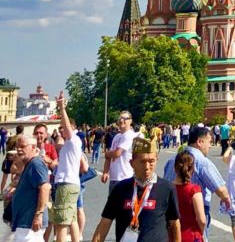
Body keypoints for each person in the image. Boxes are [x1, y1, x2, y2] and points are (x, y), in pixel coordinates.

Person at [90, 135, 180, 242]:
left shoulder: (167, 188)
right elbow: (104, 223)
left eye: (151, 161)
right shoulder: (120, 188)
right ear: (132, 163)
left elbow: (174, 224)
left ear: (156, 160)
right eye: (142, 162)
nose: (147, 167)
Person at [162, 126, 230, 239]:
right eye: (209, 142)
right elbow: (221, 189)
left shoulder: (172, 159)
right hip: (194, 212)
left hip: (172, 211)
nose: (210, 146)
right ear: (199, 141)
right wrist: (225, 198)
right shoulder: (202, 161)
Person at [52, 92, 83, 242]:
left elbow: (66, 126)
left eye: (62, 128)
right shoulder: (70, 143)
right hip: (71, 183)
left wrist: (62, 107)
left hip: (66, 183)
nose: (60, 130)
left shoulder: (73, 140)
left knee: (61, 222)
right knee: (71, 219)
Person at [10, 133, 50, 242]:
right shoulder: (29, 164)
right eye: (17, 147)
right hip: (25, 222)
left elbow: (45, 187)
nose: (19, 150)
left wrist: (38, 214)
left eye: (22, 147)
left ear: (33, 147)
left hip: (29, 223)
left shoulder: (36, 164)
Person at [172, 151, 206, 242]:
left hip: (173, 235)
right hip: (191, 235)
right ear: (192, 169)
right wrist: (201, 233)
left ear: (175, 168)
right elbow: (202, 220)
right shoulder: (194, 190)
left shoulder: (168, 188)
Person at [101, 111, 137, 194]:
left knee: (123, 205)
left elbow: (117, 153)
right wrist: (105, 172)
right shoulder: (117, 136)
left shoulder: (129, 135)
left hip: (125, 177)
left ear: (130, 121)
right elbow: (109, 157)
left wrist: (108, 153)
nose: (121, 120)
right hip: (114, 178)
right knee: (112, 206)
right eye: (120, 118)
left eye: (125, 118)